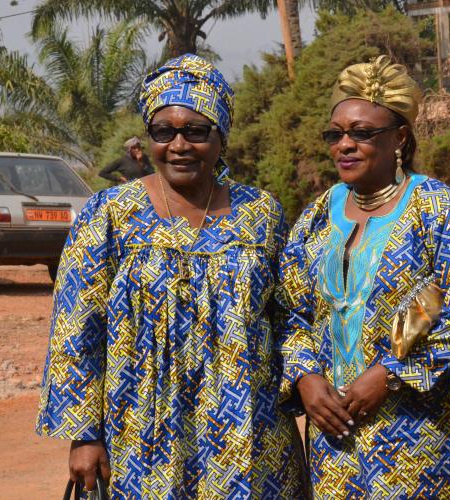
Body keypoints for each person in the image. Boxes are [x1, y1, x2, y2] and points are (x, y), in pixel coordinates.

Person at [36, 53, 304, 498]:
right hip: (141, 431)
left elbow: (291, 316)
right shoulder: (111, 214)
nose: (179, 145)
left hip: (250, 431)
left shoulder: (261, 214)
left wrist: (304, 381)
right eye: (164, 132)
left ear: (221, 136)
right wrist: (84, 434)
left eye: (196, 131)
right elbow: (76, 328)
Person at [277, 55, 450, 498]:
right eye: (335, 134)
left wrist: (389, 374)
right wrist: (306, 378)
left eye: (362, 133)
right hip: (332, 438)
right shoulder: (317, 216)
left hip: (413, 434)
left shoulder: (436, 209)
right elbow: (291, 311)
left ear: (399, 137)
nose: (344, 145)